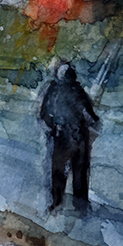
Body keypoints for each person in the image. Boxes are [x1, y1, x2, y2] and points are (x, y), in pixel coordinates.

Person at [38, 60, 100, 213]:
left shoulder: (52, 91)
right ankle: (81, 206)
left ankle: (56, 203)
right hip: (79, 137)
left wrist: (52, 129)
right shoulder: (78, 91)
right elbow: (91, 117)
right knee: (80, 172)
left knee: (58, 171)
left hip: (61, 137)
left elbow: (44, 115)